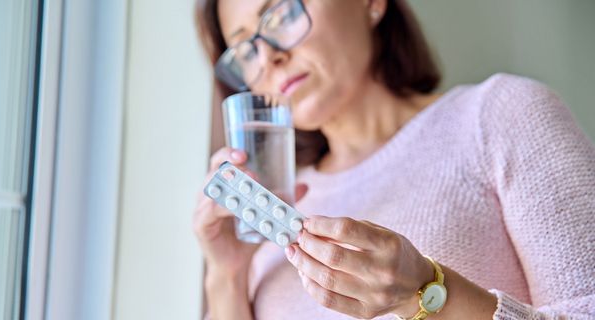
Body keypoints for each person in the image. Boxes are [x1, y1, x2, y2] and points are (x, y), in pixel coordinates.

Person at [193, 0, 595, 319]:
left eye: (280, 14)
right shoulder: (271, 206)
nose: (268, 58)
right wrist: (226, 275)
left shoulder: (501, 116)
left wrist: (428, 294)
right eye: (244, 49)